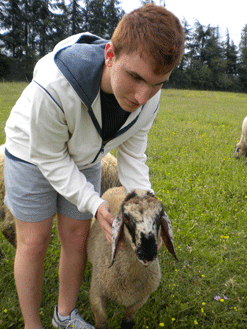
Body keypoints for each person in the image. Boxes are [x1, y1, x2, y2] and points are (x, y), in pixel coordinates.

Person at [4, 4, 184, 329]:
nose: (143, 96)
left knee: (75, 236)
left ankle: (65, 315)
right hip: (32, 151)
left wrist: (146, 207)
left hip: (83, 154)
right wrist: (93, 201)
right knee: (34, 241)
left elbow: (133, 156)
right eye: (135, 77)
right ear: (110, 54)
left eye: (158, 83)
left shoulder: (148, 98)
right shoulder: (56, 87)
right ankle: (33, 325)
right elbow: (49, 157)